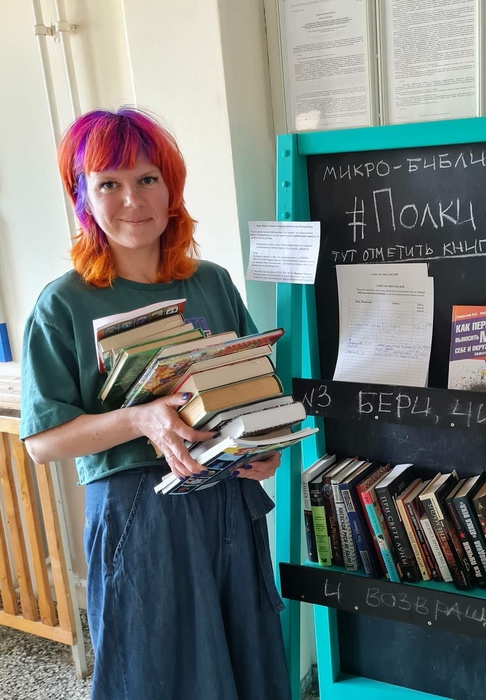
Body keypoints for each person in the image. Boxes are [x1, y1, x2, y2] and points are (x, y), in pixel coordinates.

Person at [19, 108, 291, 700]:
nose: (132, 200)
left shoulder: (211, 282)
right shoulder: (62, 303)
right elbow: (42, 442)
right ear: (82, 198)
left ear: (172, 189)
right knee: (155, 673)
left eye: (147, 179)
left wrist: (264, 448)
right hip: (137, 515)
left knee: (247, 662)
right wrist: (141, 418)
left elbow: (255, 386)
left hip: (226, 499)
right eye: (108, 184)